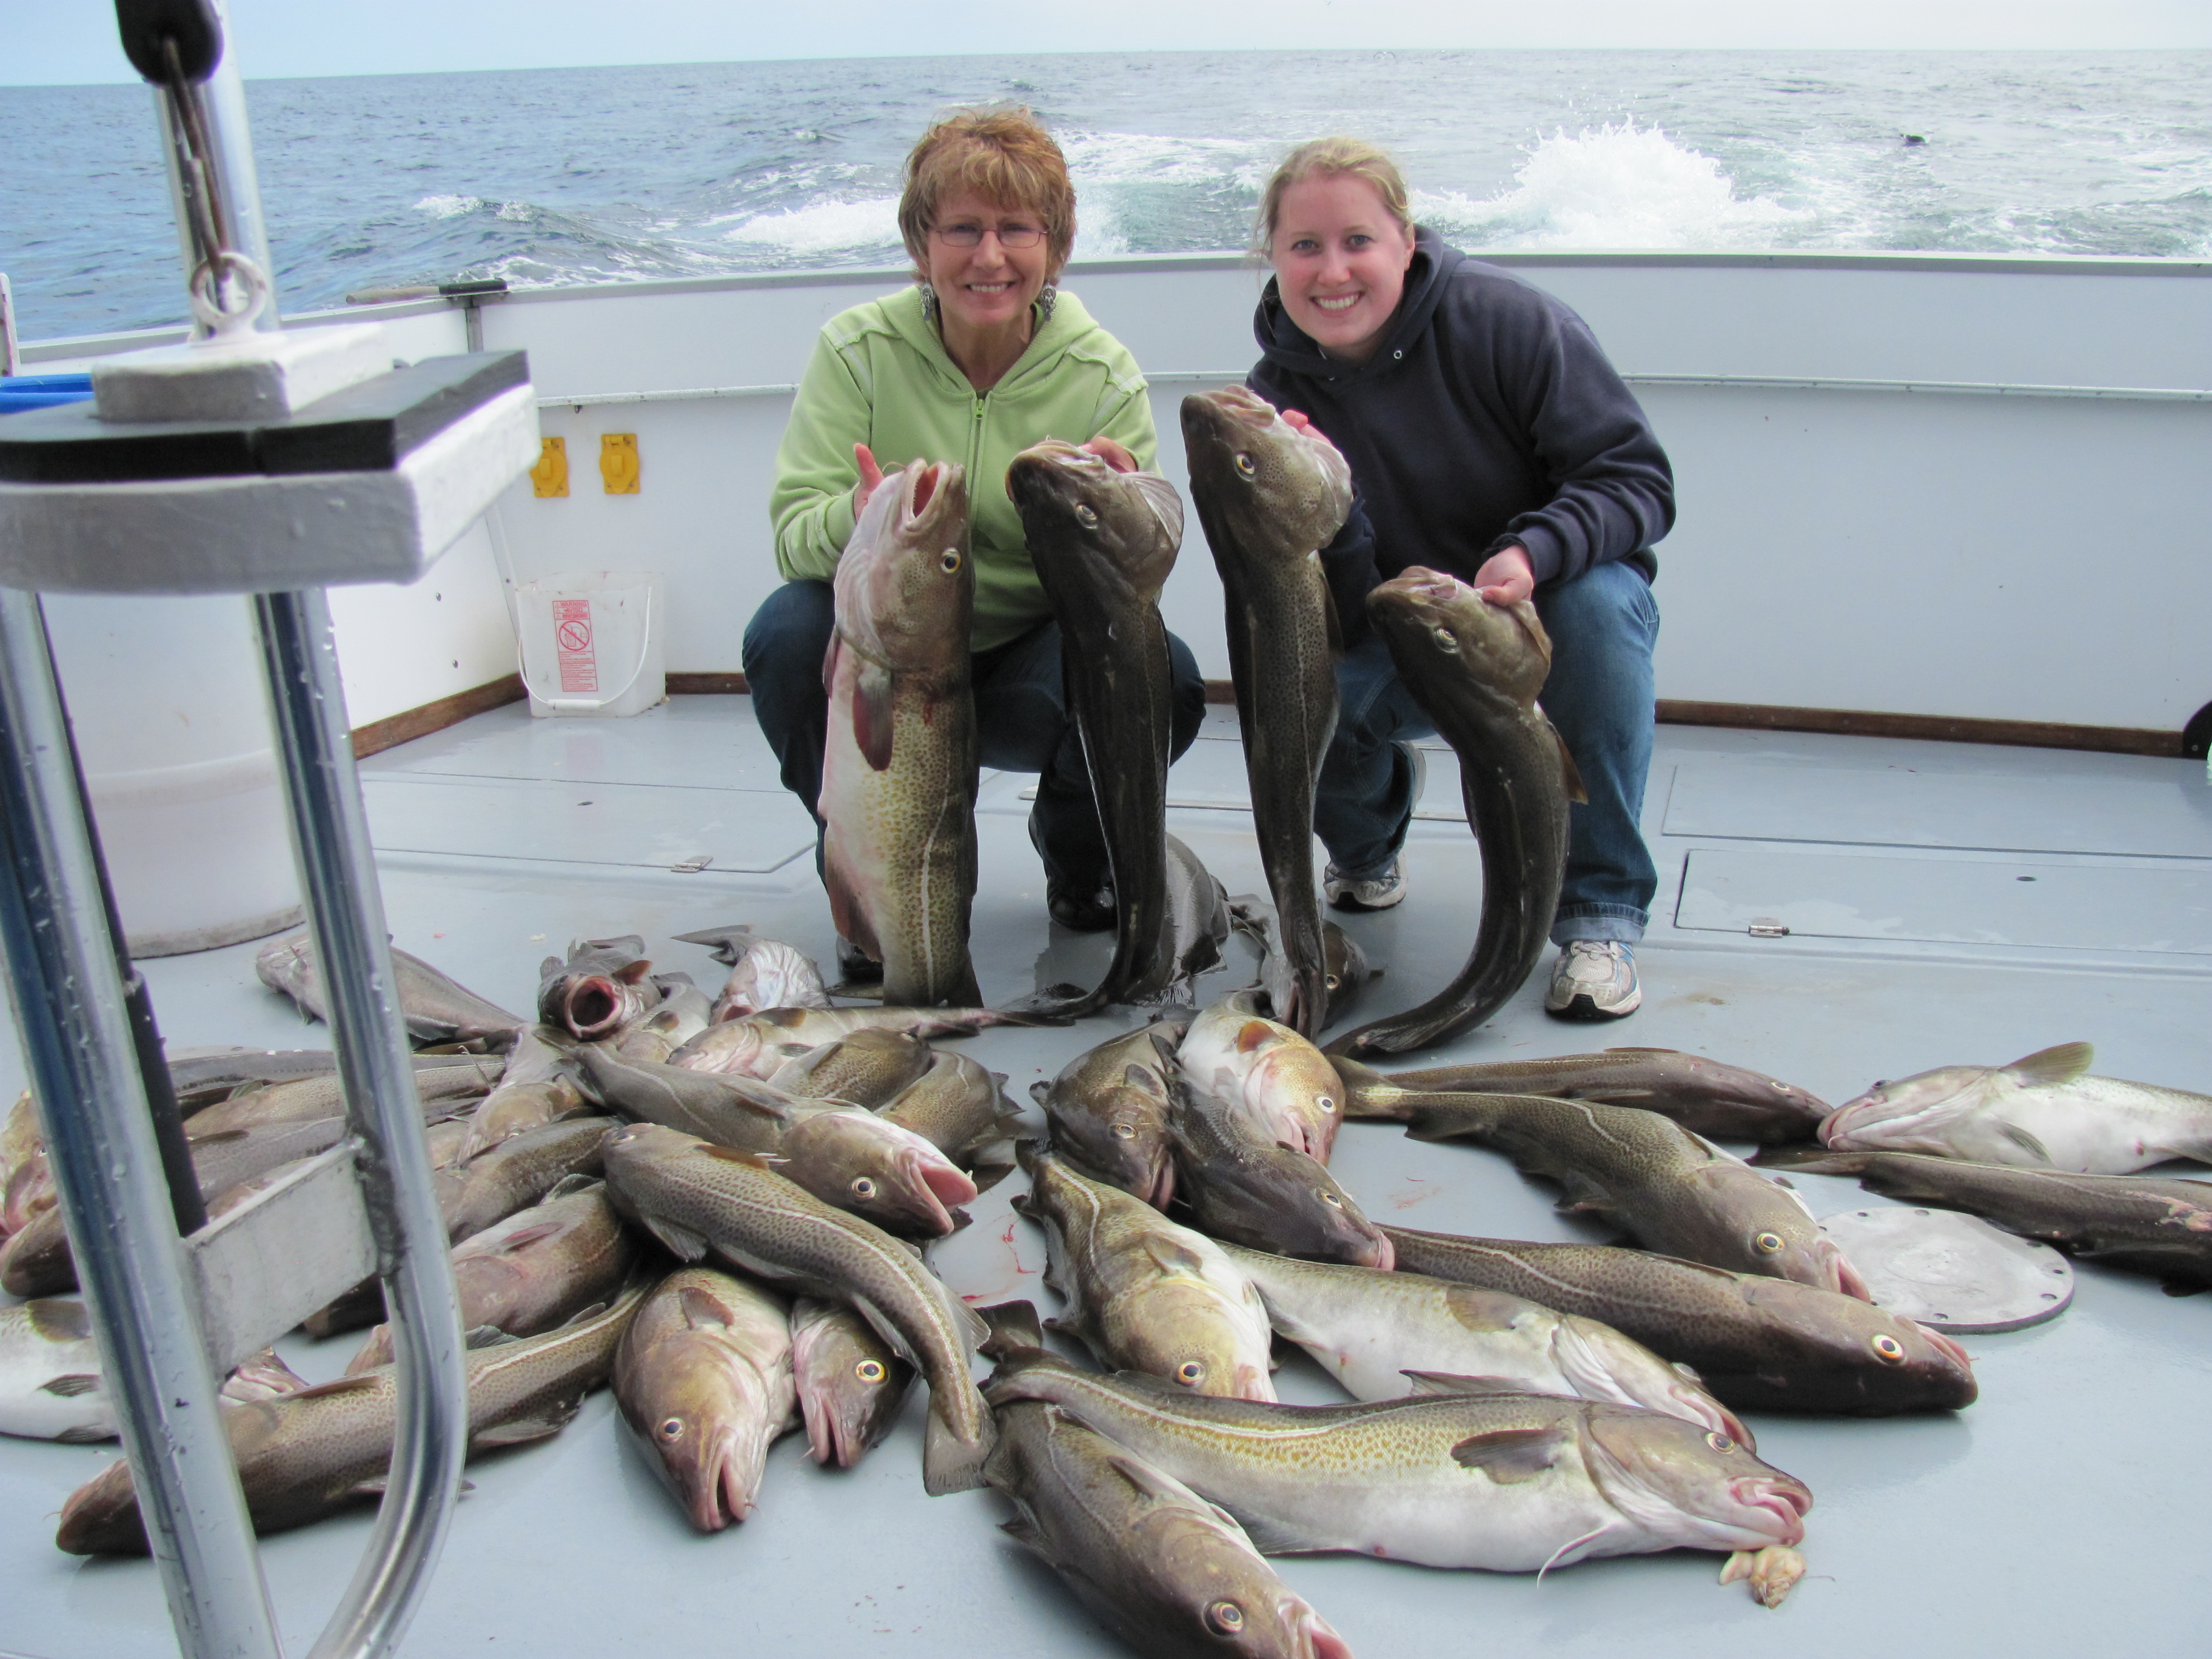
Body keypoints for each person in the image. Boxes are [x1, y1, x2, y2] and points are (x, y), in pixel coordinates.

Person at [746, 107, 1208, 978]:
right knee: (784, 631)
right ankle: (864, 876)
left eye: (1015, 230)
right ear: (922, 245)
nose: (988, 256)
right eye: (962, 228)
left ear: (1056, 249)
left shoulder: (1101, 374)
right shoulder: (856, 352)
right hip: (894, 661)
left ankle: (1078, 856)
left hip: (1027, 667)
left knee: (1164, 671)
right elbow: (792, 537)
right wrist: (863, 517)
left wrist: (1112, 516)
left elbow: (1137, 584)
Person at [1245, 137, 1672, 1020]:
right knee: (1293, 683)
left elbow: (1636, 480)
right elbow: (1340, 606)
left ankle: (1596, 913)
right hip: (1398, 629)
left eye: (1358, 241)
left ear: (1407, 239)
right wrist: (1338, 505)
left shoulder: (1509, 322)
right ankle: (1368, 846)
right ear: (1273, 256)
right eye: (1305, 247)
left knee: (1597, 606)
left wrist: (1532, 554)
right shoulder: (1274, 390)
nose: (1333, 272)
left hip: (1536, 615)